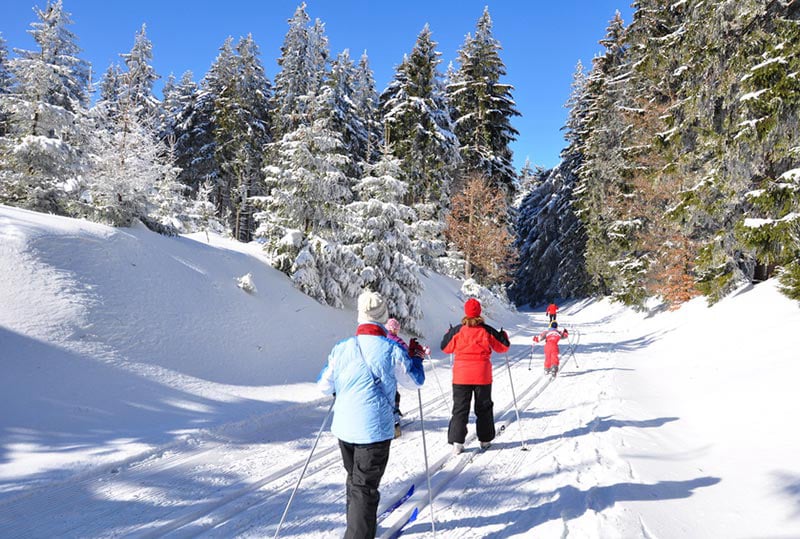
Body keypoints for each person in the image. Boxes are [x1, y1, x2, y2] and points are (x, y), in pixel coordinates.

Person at [318, 291, 425, 538]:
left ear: (359, 316)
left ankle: (360, 527)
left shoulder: (341, 348)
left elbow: (323, 386)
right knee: (364, 487)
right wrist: (417, 358)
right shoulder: (391, 349)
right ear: (383, 316)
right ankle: (358, 533)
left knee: (355, 481)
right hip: (374, 429)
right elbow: (414, 382)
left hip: (344, 427)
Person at [440, 298, 510, 455]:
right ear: (479, 312)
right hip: (482, 375)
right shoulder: (486, 330)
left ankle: (457, 443)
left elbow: (445, 347)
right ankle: (485, 440)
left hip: (461, 376)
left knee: (460, 409)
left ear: (466, 312)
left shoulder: (458, 330)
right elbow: (503, 347)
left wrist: (447, 334)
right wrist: (503, 336)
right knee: (484, 408)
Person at [385, 317, 429, 438]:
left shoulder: (382, 337)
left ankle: (391, 421)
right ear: (391, 328)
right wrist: (417, 354)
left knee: (390, 395)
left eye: (397, 328)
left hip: (384, 373)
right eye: (395, 328)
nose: (396, 330)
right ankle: (394, 424)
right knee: (393, 396)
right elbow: (406, 354)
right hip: (392, 373)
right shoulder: (396, 341)